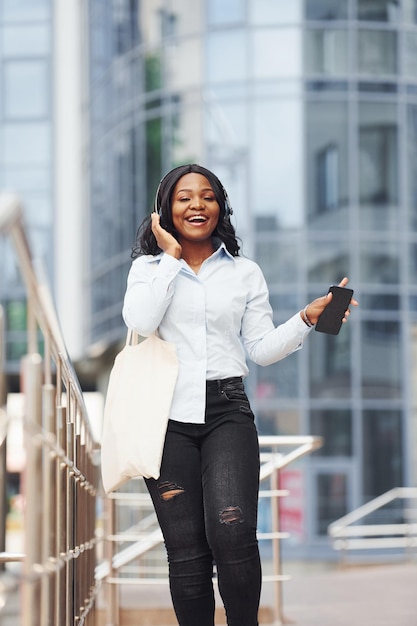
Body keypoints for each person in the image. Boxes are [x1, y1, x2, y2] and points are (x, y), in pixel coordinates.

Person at [122, 163, 357, 626]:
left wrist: (306, 319)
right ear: (165, 209)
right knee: (186, 552)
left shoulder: (245, 272)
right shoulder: (147, 270)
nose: (196, 205)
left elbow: (261, 350)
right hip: (164, 417)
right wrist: (169, 258)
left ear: (220, 206)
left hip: (226, 410)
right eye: (184, 197)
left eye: (207, 196)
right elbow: (141, 322)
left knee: (233, 535)